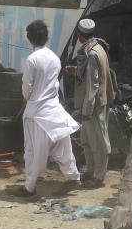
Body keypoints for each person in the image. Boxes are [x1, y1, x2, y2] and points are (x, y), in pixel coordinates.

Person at [7, 20, 80, 198]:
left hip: (37, 114)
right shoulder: (54, 58)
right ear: (46, 38)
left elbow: (26, 87)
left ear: (30, 39)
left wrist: (26, 97)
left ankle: (29, 188)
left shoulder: (32, 59)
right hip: (55, 111)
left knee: (33, 152)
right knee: (63, 147)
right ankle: (72, 177)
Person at [72, 18, 114, 189]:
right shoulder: (99, 47)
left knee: (97, 142)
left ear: (80, 35)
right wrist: (74, 70)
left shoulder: (91, 54)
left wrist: (87, 109)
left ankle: (100, 177)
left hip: (93, 105)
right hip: (93, 103)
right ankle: (90, 170)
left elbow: (93, 85)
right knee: (86, 140)